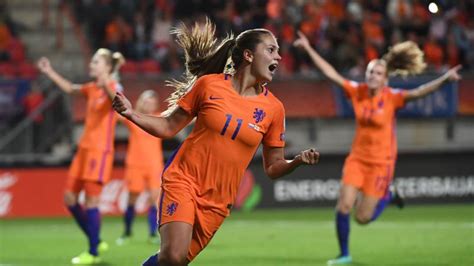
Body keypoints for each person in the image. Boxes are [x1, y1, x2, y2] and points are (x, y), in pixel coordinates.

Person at [112, 19, 320, 266]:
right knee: (173, 255)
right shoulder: (208, 85)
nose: (279, 56)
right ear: (248, 55)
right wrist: (130, 113)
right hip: (184, 179)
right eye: (271, 49)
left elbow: (273, 167)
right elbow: (168, 126)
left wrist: (295, 161)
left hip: (218, 201)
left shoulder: (274, 109)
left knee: (173, 262)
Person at [294, 31, 462, 265]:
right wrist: (309, 48)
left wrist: (444, 79)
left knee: (362, 218)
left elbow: (418, 92)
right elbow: (331, 74)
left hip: (381, 163)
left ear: (385, 79)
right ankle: (344, 255)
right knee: (343, 205)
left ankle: (389, 194)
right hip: (357, 159)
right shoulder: (357, 91)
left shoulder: (392, 97)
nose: (373, 75)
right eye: (370, 71)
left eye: (378, 73)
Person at [37, 48, 125, 265]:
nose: (91, 64)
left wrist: (107, 82)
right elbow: (69, 88)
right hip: (83, 151)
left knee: (92, 201)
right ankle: (96, 240)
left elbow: (119, 102)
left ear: (106, 67)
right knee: (69, 199)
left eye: (96, 61)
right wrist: (49, 72)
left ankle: (93, 252)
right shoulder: (91, 88)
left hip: (100, 152)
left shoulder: (112, 87)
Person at [116, 90, 164, 245]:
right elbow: (117, 112)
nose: (149, 103)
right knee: (132, 199)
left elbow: (185, 118)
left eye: (152, 101)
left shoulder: (160, 117)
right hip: (135, 165)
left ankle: (152, 234)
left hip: (154, 165)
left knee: (154, 200)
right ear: (141, 102)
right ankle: (127, 232)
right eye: (146, 100)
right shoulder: (133, 117)